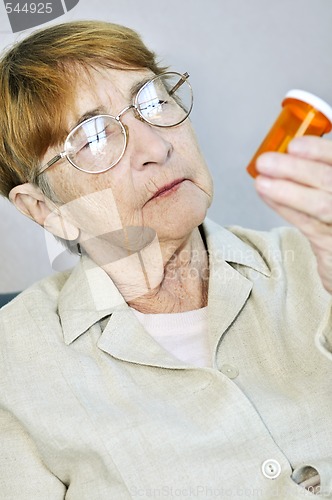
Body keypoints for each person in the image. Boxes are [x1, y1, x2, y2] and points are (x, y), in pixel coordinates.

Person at [0, 20, 332, 500]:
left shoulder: (313, 263)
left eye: (153, 101)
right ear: (45, 210)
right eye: (94, 138)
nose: (159, 146)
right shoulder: (14, 366)